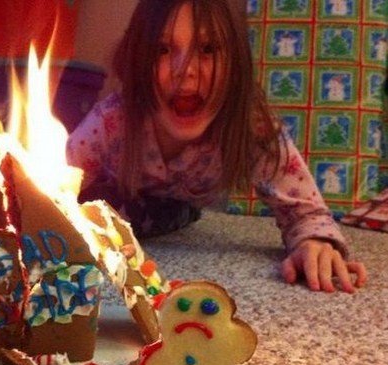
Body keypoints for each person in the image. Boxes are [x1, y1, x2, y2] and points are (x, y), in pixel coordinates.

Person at [66, 0, 367, 293]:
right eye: (162, 49)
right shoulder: (113, 120)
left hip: (182, 212)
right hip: (107, 200)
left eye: (208, 49)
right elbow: (53, 190)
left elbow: (306, 212)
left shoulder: (249, 124)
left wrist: (314, 243)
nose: (185, 69)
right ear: (136, 61)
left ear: (236, 65)